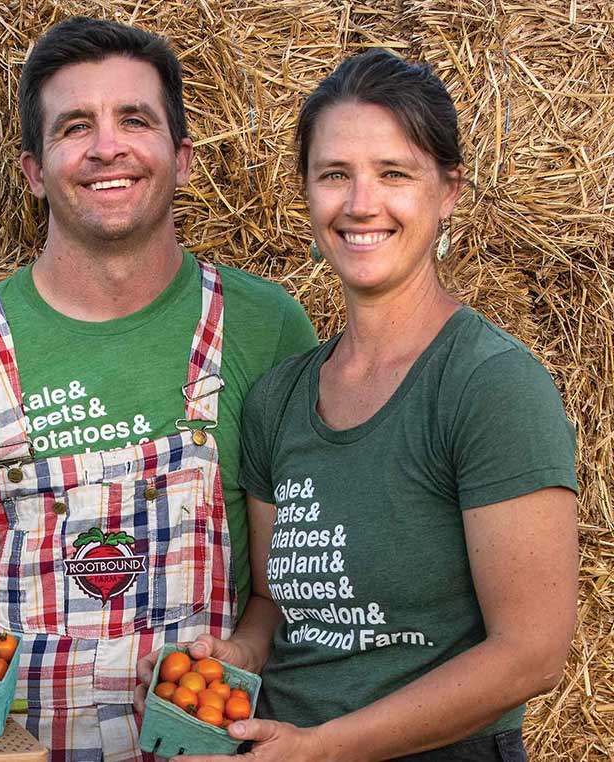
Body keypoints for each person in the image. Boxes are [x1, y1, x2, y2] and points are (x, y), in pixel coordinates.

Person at [0, 16, 317, 762]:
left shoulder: (267, 328)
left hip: (204, 742)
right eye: (75, 126)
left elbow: (303, 560)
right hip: (10, 749)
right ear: (34, 170)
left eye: (134, 119)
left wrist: (256, 648)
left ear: (182, 158)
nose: (106, 147)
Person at [134, 49, 578, 762]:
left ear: (449, 191)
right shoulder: (279, 399)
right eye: (334, 174)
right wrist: (232, 654)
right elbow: (276, 607)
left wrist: (327, 747)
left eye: (394, 173)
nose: (361, 203)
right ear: (307, 193)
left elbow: (531, 655)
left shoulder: (489, 386)